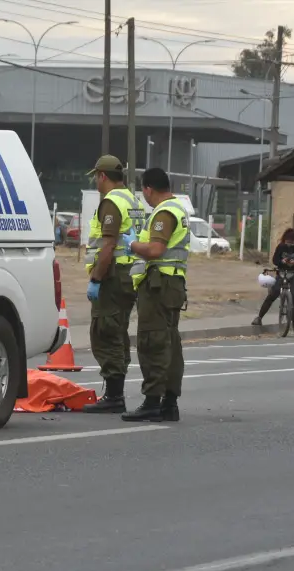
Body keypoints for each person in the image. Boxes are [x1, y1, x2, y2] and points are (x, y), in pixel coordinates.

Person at [118, 168, 189, 423]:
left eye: (144, 191)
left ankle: (152, 402)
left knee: (153, 342)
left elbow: (156, 249)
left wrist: (133, 244)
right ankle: (169, 404)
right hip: (171, 284)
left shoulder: (164, 212)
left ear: (148, 188)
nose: (144, 196)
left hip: (159, 285)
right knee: (169, 342)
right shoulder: (179, 209)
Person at [81, 155, 146, 414]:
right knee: (118, 331)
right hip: (131, 273)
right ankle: (115, 392)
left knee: (105, 330)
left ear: (103, 176)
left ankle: (114, 395)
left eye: (96, 177)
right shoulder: (133, 199)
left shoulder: (111, 203)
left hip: (114, 276)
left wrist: (96, 278)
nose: (96, 182)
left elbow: (108, 245)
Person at [251, 228, 294, 329]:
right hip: (282, 272)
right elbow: (275, 260)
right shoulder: (280, 247)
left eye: (291, 242)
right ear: (284, 240)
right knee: (273, 293)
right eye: (287, 242)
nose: (289, 244)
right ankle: (259, 317)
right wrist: (282, 262)